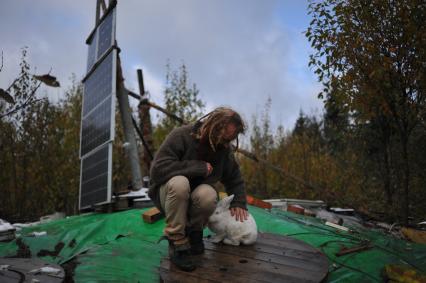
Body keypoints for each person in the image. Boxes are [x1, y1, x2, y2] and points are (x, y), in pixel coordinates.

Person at [148, 107, 249, 272]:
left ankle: (194, 232)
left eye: (229, 140)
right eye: (224, 137)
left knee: (208, 194)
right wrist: (197, 167)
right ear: (214, 125)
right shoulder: (181, 135)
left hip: (192, 200)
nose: (225, 143)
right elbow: (157, 170)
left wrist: (239, 202)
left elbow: (234, 178)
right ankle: (177, 242)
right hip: (168, 196)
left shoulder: (223, 150)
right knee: (180, 183)